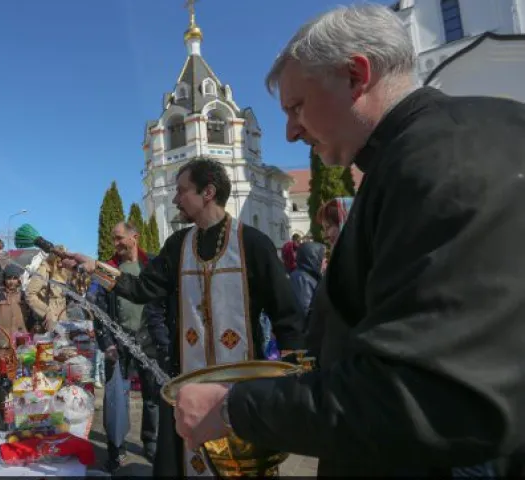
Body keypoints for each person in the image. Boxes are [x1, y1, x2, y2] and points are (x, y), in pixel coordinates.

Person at [171, 4, 525, 476]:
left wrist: (237, 409)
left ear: (356, 75)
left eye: (297, 106)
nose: (292, 130)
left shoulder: (436, 164)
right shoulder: (450, 144)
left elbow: (430, 395)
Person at [68, 158, 304, 477]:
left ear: (208, 192)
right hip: (188, 386)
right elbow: (140, 289)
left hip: (241, 393)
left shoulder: (253, 244)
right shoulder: (178, 246)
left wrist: (291, 390)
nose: (176, 199)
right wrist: (95, 266)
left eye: (182, 191)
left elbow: (287, 318)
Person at [91, 222, 165, 470]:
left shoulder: (152, 264)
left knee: (153, 397)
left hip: (148, 341)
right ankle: (115, 448)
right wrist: (107, 343)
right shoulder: (107, 269)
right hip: (118, 342)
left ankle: (151, 442)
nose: (116, 244)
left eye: (120, 238)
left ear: (135, 237)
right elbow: (96, 308)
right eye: (113, 239)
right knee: (114, 398)